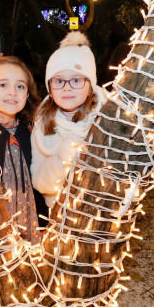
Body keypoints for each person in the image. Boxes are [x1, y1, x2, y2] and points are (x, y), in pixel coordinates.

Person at [30, 31, 108, 208]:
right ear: (49, 88)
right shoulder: (43, 123)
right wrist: (60, 160)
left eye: (76, 80)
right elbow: (39, 182)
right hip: (61, 216)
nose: (67, 88)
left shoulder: (106, 117)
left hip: (101, 209)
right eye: (58, 81)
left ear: (90, 85)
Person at [0, 56, 48, 243]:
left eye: (20, 86)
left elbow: (42, 182)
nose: (12, 92)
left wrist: (44, 222)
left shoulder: (34, 132)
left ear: (27, 94)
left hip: (32, 222)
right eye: (2, 85)